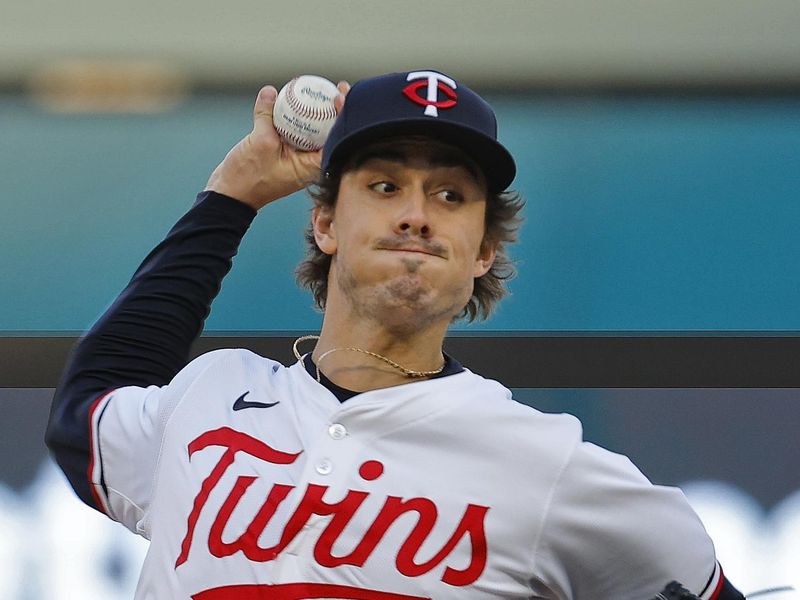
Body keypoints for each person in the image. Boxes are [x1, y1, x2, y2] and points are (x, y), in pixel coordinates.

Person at [46, 70, 745, 600]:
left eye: (450, 195)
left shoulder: (549, 463)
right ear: (325, 225)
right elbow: (88, 407)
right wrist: (229, 198)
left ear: (482, 252)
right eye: (384, 187)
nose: (416, 215)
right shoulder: (211, 397)